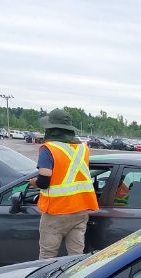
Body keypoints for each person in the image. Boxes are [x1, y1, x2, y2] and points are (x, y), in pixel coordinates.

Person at [29, 109, 99, 259]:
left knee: (47, 257)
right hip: (80, 210)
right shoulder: (83, 148)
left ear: (51, 129)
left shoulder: (49, 149)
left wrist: (34, 183)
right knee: (75, 256)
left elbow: (44, 181)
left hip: (56, 211)